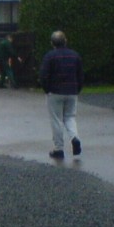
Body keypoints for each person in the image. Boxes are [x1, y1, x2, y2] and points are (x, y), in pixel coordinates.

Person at [39, 30, 84, 160]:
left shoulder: (50, 56)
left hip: (55, 92)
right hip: (72, 91)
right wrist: (77, 89)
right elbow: (80, 75)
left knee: (56, 120)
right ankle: (75, 138)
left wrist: (47, 89)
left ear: (52, 43)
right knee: (70, 117)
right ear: (66, 41)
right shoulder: (75, 55)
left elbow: (43, 75)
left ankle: (59, 149)